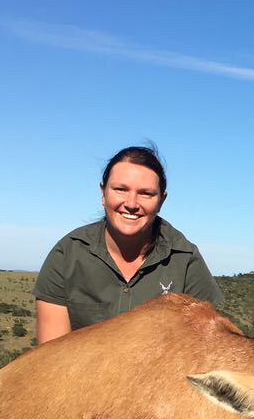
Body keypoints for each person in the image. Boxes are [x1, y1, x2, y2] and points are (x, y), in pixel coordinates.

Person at [34, 145, 224, 343]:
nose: (131, 204)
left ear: (161, 200)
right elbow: (51, 354)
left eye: (146, 193)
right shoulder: (67, 254)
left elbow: (206, 344)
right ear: (103, 192)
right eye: (120, 189)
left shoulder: (185, 259)